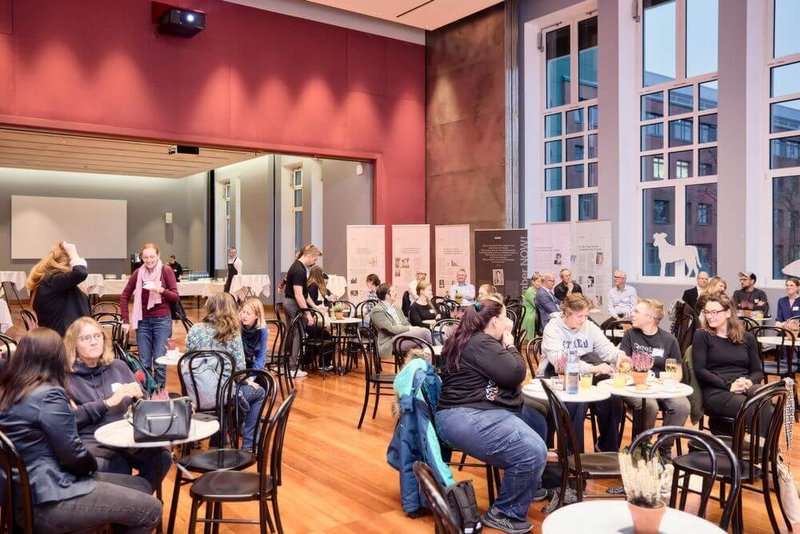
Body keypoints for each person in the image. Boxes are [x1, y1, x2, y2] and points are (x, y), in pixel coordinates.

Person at [0, 328, 162, 533]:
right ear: (55, 357)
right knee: (152, 509)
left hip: (24, 493)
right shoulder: (48, 395)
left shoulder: (11, 390)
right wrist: (91, 469)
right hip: (48, 498)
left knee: (142, 487)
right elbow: (72, 455)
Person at [436, 298, 548, 533]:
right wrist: (511, 345)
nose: (508, 323)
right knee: (532, 451)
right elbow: (515, 372)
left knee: (536, 416)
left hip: (471, 411)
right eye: (505, 318)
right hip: (465, 415)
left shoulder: (470, 338)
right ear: (495, 321)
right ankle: (504, 512)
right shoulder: (481, 343)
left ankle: (530, 483)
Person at [65, 317, 172, 492]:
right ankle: (134, 502)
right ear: (73, 345)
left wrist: (142, 399)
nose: (94, 342)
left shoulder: (118, 366)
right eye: (86, 338)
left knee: (162, 457)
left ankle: (136, 502)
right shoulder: (67, 378)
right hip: (93, 441)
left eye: (97, 336)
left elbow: (141, 404)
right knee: (117, 465)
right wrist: (107, 403)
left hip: (127, 437)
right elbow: (70, 419)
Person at [540, 294, 628, 452]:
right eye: (579, 316)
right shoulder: (552, 328)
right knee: (576, 401)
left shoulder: (588, 326)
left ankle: (607, 449)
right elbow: (560, 361)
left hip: (584, 373)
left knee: (613, 399)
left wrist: (618, 356)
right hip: (557, 374)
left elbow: (605, 348)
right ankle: (573, 454)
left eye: (586, 315)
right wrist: (593, 368)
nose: (583, 320)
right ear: (566, 312)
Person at [185, 293, 265, 450]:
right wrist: (247, 381)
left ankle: (217, 440)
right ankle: (248, 446)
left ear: (209, 307)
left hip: (196, 393)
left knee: (225, 396)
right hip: (223, 394)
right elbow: (240, 369)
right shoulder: (233, 333)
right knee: (259, 393)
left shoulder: (195, 329)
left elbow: (187, 361)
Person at [619, 299, 690, 456]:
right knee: (649, 405)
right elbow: (624, 364)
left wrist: (667, 381)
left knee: (682, 406)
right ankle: (641, 448)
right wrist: (642, 374)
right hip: (636, 385)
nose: (632, 314)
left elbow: (677, 371)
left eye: (637, 311)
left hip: (661, 386)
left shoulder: (669, 340)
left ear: (650, 318)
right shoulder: (630, 335)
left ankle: (664, 449)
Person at [692, 293, 767, 434]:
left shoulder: (747, 338)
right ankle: (757, 446)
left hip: (744, 385)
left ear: (727, 313)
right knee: (749, 406)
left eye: (714, 312)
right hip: (716, 390)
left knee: (766, 399)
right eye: (707, 312)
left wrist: (749, 382)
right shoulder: (702, 335)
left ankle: (761, 445)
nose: (710, 316)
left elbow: (757, 372)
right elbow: (700, 370)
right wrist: (729, 385)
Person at [120, 243, 178, 389]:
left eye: (152, 256)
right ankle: (147, 394)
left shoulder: (166, 270)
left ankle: (160, 395)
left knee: (160, 362)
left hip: (162, 321)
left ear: (158, 256)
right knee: (144, 363)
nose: (149, 260)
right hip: (143, 322)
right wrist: (125, 320)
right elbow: (124, 296)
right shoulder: (138, 273)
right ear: (142, 258)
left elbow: (175, 296)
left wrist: (162, 290)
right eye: (145, 257)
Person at [25, 241, 90, 336]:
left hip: (56, 337)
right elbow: (80, 273)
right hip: (61, 340)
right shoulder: (51, 281)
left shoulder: (47, 282)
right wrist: (73, 253)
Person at [283, 244, 323, 378]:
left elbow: (305, 294)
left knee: (292, 333)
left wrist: (316, 307)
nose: (314, 262)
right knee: (297, 335)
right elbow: (299, 295)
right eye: (315, 259)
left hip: (290, 302)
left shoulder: (298, 267)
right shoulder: (299, 270)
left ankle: (286, 365)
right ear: (309, 256)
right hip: (293, 304)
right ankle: (292, 367)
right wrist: (308, 314)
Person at [369, 283, 433, 358]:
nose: (396, 293)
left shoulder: (396, 308)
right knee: (425, 332)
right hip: (389, 342)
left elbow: (406, 323)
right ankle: (443, 353)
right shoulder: (377, 311)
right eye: (393, 291)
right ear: (387, 295)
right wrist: (410, 329)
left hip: (402, 336)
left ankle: (437, 362)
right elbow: (391, 329)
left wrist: (410, 329)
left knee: (424, 345)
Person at [240, 297, 268, 370]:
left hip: (250, 362)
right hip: (238, 362)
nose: (244, 316)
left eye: (248, 313)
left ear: (257, 315)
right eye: (243, 312)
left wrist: (253, 375)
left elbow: (261, 356)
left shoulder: (262, 329)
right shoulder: (237, 325)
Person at [521, 273, 541, 341]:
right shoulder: (530, 291)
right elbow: (536, 305)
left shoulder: (538, 290)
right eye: (538, 281)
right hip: (529, 313)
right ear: (533, 282)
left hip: (535, 312)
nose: (540, 283)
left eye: (541, 282)